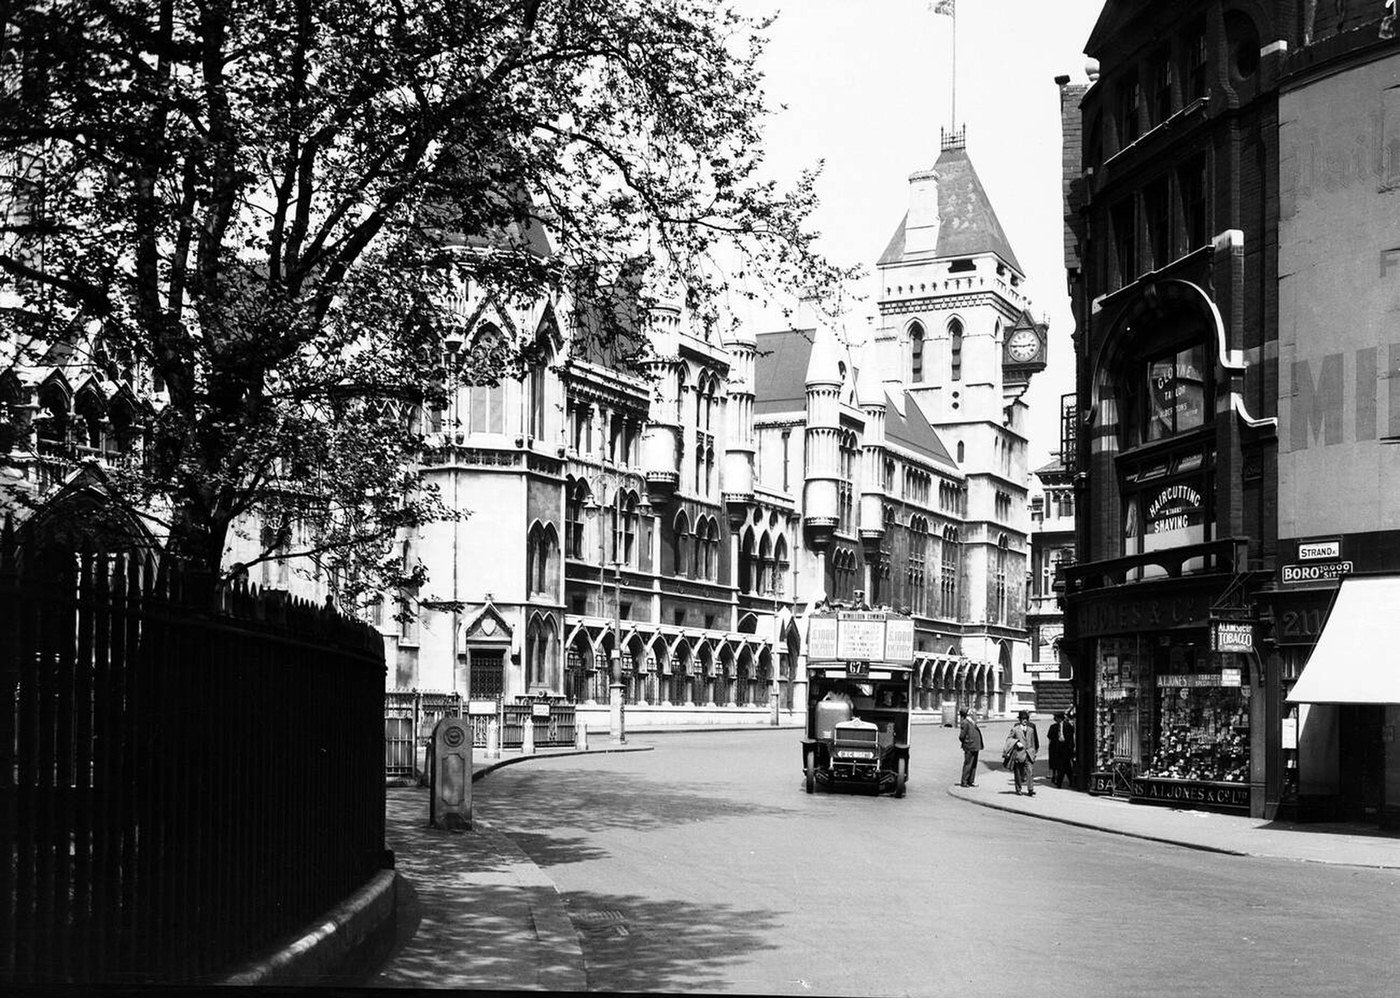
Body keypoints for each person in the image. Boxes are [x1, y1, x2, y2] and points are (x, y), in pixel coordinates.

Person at [1002, 709, 1040, 796]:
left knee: (1030, 771)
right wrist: (1016, 742)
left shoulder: (1031, 729)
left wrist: (1033, 752)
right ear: (1020, 720)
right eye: (1023, 719)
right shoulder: (1015, 729)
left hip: (1029, 754)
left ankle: (1030, 789)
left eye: (1026, 718)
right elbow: (1009, 739)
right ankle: (1018, 789)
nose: (1025, 720)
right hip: (1019, 754)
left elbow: (1033, 741)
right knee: (1018, 773)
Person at [1048, 710, 1075, 788]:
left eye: (1056, 718)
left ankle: (1060, 782)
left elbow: (1070, 738)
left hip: (1066, 748)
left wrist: (1071, 748)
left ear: (1060, 718)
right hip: (1057, 749)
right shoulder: (1053, 727)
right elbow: (1050, 736)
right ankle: (1067, 781)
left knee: (1064, 767)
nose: (1055, 719)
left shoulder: (1068, 726)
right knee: (1064, 766)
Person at [957, 708, 983, 787]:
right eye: (971, 712)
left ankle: (971, 781)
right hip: (969, 746)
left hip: (975, 746)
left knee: (973, 764)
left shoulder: (972, 722)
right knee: (968, 764)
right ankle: (964, 781)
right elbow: (962, 736)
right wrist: (967, 742)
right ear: (968, 714)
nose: (974, 714)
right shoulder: (965, 722)